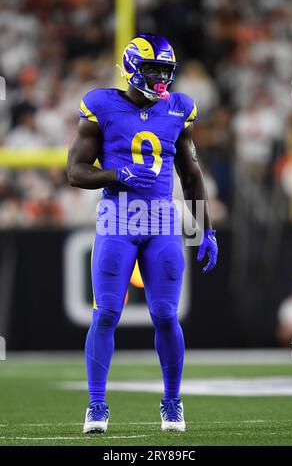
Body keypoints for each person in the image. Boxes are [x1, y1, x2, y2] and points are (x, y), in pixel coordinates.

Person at [67, 33, 218, 434]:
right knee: (107, 314)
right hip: (118, 219)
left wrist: (206, 228)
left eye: (165, 71)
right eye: (152, 70)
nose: (160, 79)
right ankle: (96, 405)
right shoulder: (100, 104)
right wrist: (117, 173)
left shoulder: (180, 108)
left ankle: (172, 402)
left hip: (162, 223)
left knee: (166, 314)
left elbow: (190, 173)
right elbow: (75, 171)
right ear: (133, 68)